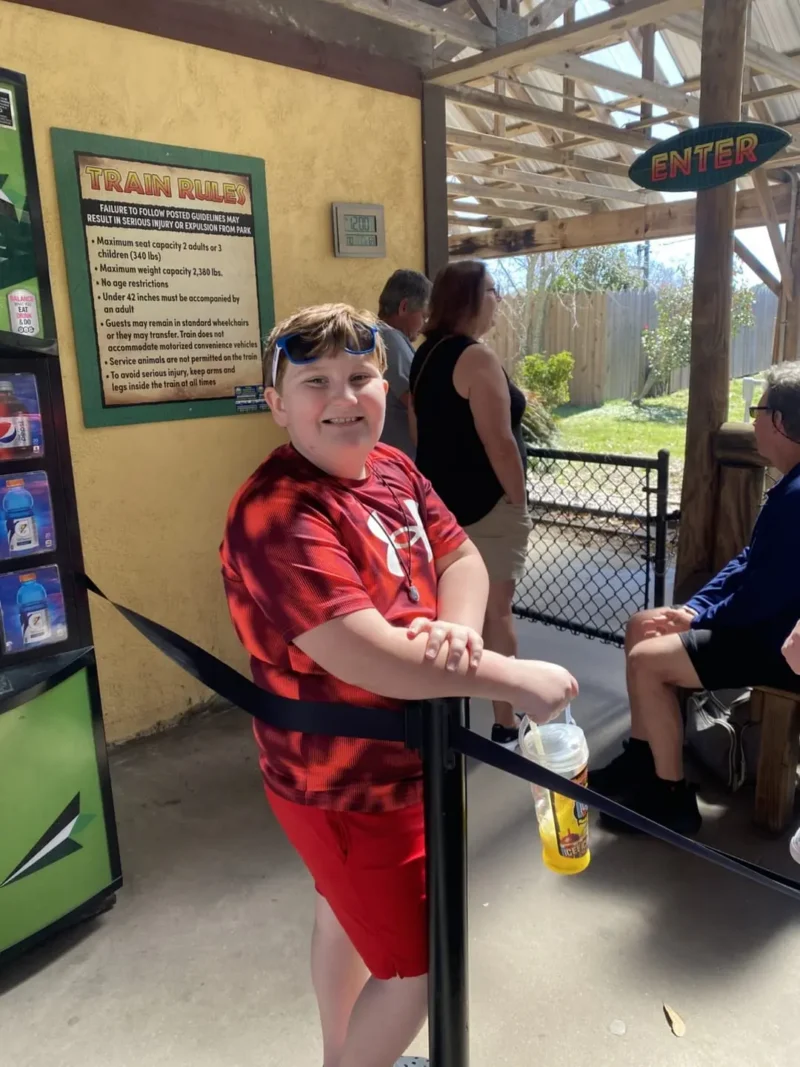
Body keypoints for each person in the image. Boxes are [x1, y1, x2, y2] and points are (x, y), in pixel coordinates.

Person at [220, 303, 578, 1067]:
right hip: (347, 785)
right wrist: (510, 674)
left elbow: (461, 557)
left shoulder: (393, 467)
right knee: (419, 969)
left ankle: (340, 1054)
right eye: (316, 383)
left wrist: (457, 632)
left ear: (387, 388)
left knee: (343, 916)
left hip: (410, 761)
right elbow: (364, 652)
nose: (343, 398)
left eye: (360, 377)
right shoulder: (278, 511)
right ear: (278, 403)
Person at [591, 363, 800, 837]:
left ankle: (671, 800)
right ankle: (644, 759)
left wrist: (697, 622)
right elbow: (747, 562)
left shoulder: (797, 498)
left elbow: (761, 600)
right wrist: (693, 610)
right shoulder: (789, 484)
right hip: (763, 627)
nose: (752, 422)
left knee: (648, 661)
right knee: (642, 625)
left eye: (757, 411)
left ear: (779, 422)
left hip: (779, 647)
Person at [409, 260, 532, 750]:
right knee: (496, 615)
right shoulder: (476, 358)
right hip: (487, 506)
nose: (499, 298)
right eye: (492, 290)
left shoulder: (426, 355)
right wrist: (518, 498)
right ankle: (507, 723)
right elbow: (499, 442)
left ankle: (447, 718)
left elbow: (419, 431)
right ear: (470, 299)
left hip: (441, 508)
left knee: (455, 612)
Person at [377, 268, 431, 459]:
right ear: (404, 307)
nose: (425, 326)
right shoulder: (390, 338)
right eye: (424, 316)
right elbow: (419, 402)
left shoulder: (376, 335)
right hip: (398, 459)